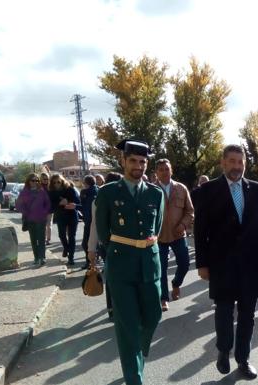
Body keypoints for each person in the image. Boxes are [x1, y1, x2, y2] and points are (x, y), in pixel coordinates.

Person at [194, 145, 258, 380]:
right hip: (221, 264)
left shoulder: (257, 190)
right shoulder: (208, 190)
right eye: (232, 161)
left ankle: (243, 359)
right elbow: (200, 230)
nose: (237, 166)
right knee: (224, 312)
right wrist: (202, 263)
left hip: (249, 265)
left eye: (240, 162)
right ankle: (223, 350)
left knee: (248, 315)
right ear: (223, 163)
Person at [94, 139, 164, 385]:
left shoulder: (156, 194)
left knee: (154, 315)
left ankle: (140, 348)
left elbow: (157, 228)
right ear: (123, 161)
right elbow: (103, 233)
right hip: (121, 265)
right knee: (127, 327)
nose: (138, 166)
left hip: (149, 264)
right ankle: (135, 378)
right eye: (133, 161)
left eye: (143, 162)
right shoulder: (108, 193)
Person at [155, 158, 194, 311]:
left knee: (185, 264)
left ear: (171, 170)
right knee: (161, 268)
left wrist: (183, 224)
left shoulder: (181, 188)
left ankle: (176, 283)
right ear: (156, 172)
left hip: (178, 234)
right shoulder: (151, 190)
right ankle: (164, 298)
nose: (164, 172)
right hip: (159, 237)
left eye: (167, 169)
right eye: (161, 169)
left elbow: (190, 211)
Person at [88, 171, 122, 321]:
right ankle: (113, 308)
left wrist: (91, 249)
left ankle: (116, 308)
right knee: (112, 276)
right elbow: (95, 226)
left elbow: (92, 227)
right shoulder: (98, 201)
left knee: (114, 277)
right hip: (108, 245)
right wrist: (91, 249)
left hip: (116, 245)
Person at [16, 173, 51, 266]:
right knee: (34, 239)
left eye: (37, 180)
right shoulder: (24, 192)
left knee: (41, 239)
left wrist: (44, 212)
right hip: (30, 219)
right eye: (33, 180)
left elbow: (47, 203)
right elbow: (18, 205)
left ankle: (42, 258)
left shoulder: (41, 191)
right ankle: (36, 257)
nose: (35, 182)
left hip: (41, 219)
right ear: (28, 181)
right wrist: (26, 212)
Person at [48, 174, 80, 266]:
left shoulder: (69, 189)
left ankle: (71, 258)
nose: (57, 184)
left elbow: (77, 201)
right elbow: (51, 207)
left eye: (59, 182)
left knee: (71, 236)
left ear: (62, 181)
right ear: (52, 183)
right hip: (60, 215)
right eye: (54, 182)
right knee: (61, 235)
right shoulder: (51, 192)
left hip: (72, 215)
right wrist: (59, 203)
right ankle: (66, 248)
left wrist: (69, 202)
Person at [80, 175, 99, 270]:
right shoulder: (99, 190)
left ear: (86, 183)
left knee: (86, 244)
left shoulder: (85, 192)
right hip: (95, 220)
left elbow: (84, 206)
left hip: (89, 221)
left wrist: (75, 206)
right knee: (93, 243)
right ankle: (93, 261)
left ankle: (90, 262)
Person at [39, 173, 52, 245]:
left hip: (49, 209)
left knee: (49, 225)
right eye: (44, 179)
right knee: (43, 225)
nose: (46, 180)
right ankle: (43, 239)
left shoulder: (50, 187)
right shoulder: (39, 187)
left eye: (47, 179)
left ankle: (48, 239)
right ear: (41, 179)